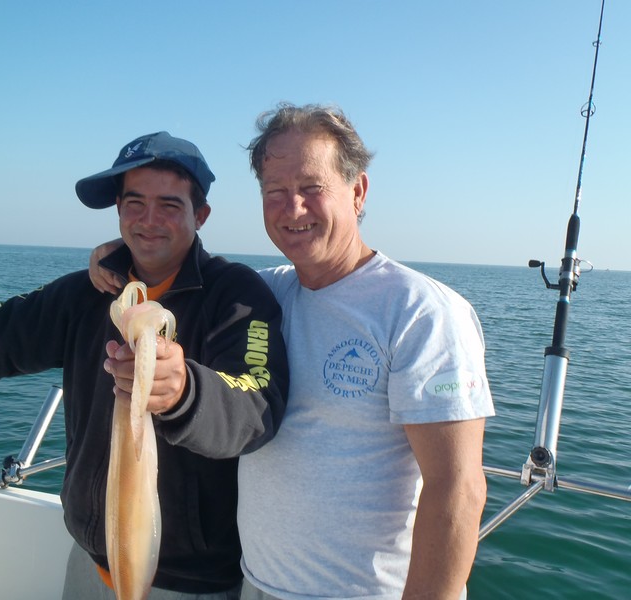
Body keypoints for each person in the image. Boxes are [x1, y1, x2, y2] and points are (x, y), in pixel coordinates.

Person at [0, 131, 289, 599]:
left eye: (170, 205)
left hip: (188, 584)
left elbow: (256, 405)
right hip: (89, 562)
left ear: (201, 214)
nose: (149, 220)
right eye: (134, 203)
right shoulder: (85, 295)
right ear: (117, 209)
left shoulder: (236, 297)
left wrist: (185, 392)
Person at [93, 105, 495, 599]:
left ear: (358, 191)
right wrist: (121, 255)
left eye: (311, 187)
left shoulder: (421, 311)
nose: (293, 208)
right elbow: (173, 283)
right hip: (256, 583)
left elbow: (458, 488)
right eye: (275, 192)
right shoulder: (261, 295)